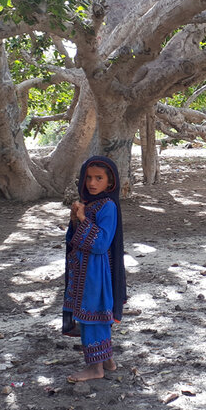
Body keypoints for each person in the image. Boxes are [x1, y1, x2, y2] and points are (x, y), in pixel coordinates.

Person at [61, 156, 127, 382]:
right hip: (83, 272)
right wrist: (75, 219)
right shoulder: (88, 204)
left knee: (93, 316)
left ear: (110, 183)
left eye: (99, 178)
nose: (92, 183)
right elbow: (74, 239)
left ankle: (94, 369)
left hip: (96, 273)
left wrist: (83, 219)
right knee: (90, 314)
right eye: (88, 177)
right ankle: (107, 361)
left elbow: (100, 244)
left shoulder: (108, 206)